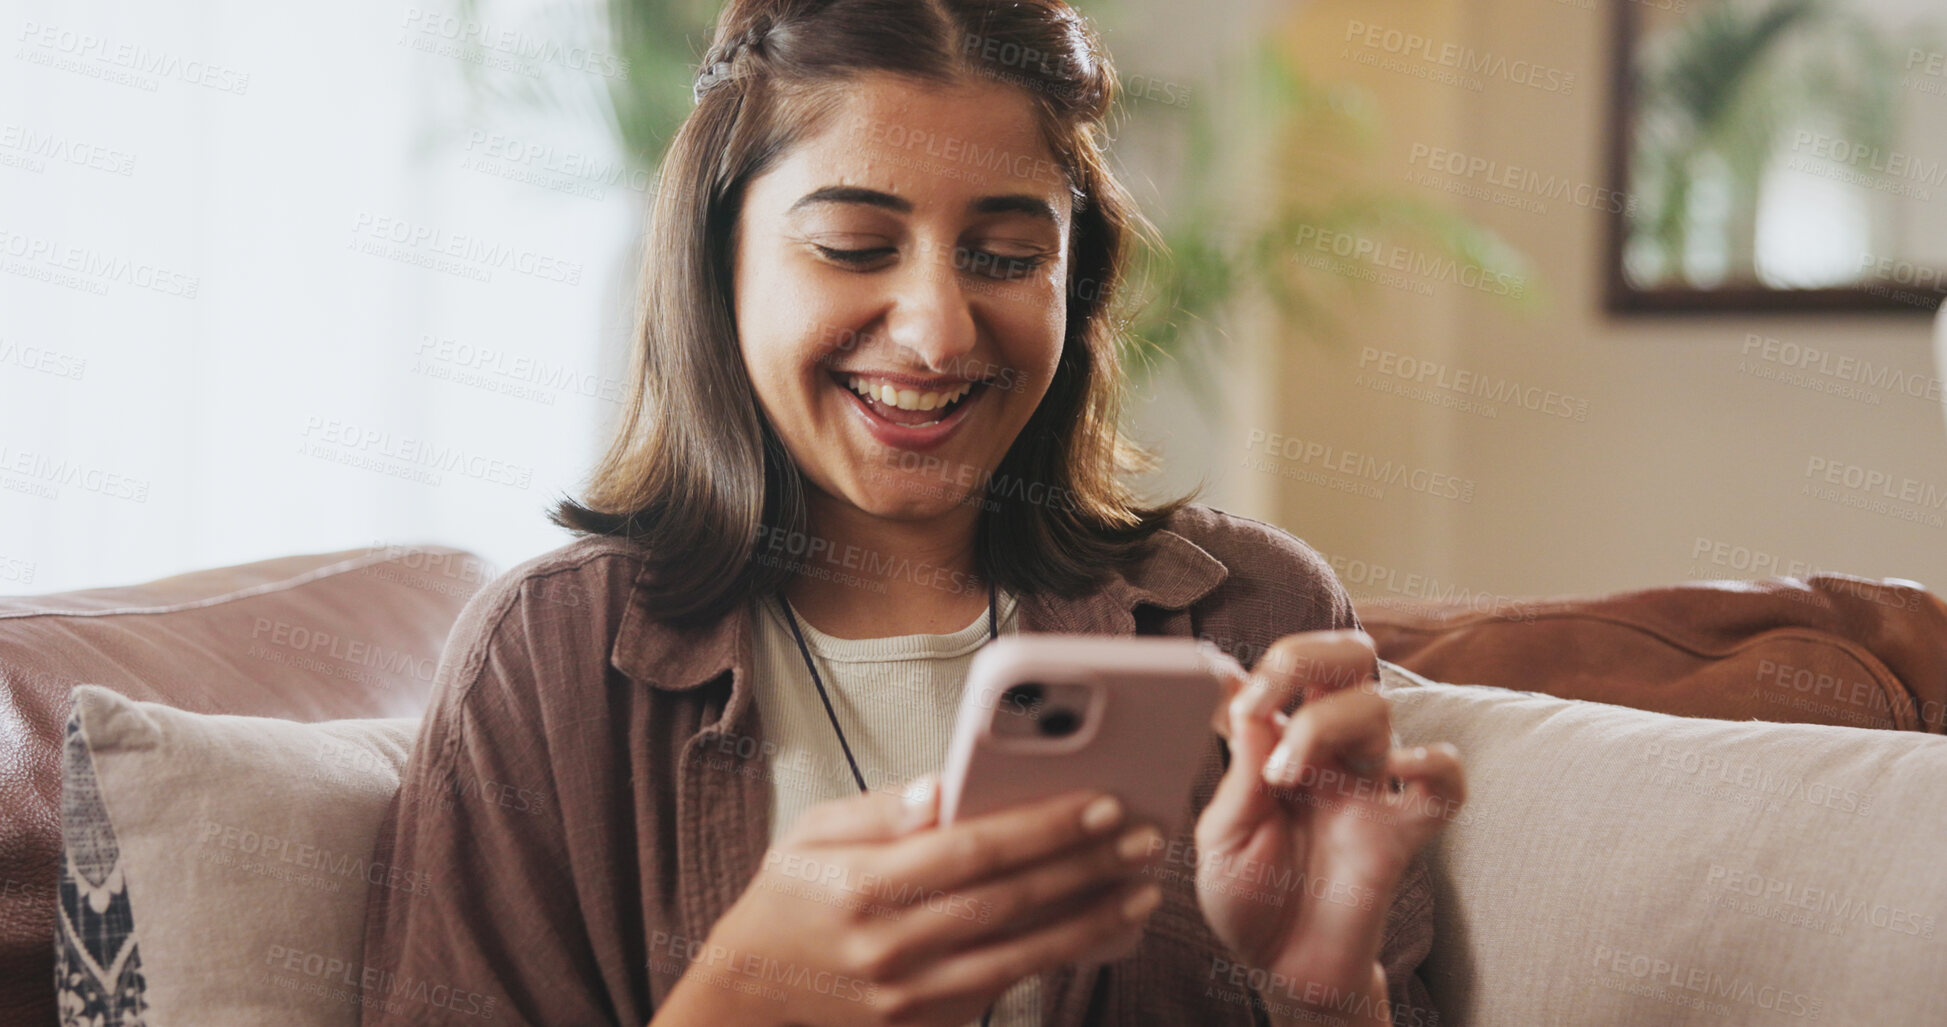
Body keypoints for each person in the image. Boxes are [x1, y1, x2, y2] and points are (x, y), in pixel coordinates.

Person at [357, 1, 1466, 1024]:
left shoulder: (1251, 615)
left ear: (1072, 282)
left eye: (1006, 256)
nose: (939, 331)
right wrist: (739, 999)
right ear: (716, 257)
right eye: (854, 246)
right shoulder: (549, 664)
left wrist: (1330, 986)